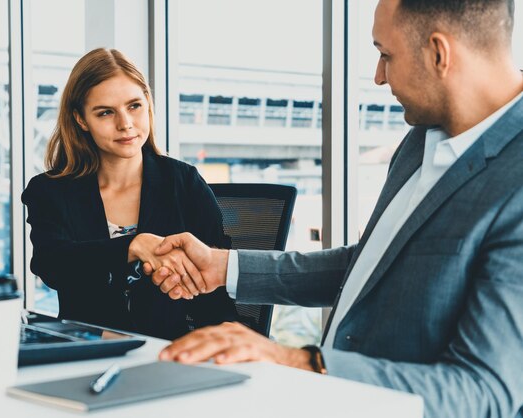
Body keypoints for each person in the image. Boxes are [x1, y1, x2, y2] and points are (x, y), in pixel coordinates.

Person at [146, 0, 523, 416]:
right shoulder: (423, 137)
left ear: (439, 53)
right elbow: (370, 267)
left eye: (385, 55)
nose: (379, 77)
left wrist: (300, 362)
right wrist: (222, 267)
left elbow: (484, 391)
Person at [21, 48, 236, 341]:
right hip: (85, 350)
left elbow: (216, 294)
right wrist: (132, 246)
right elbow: (52, 264)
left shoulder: (184, 183)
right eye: (106, 112)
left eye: (134, 106)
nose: (125, 124)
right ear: (81, 120)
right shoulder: (50, 190)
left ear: (147, 104)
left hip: (170, 352)